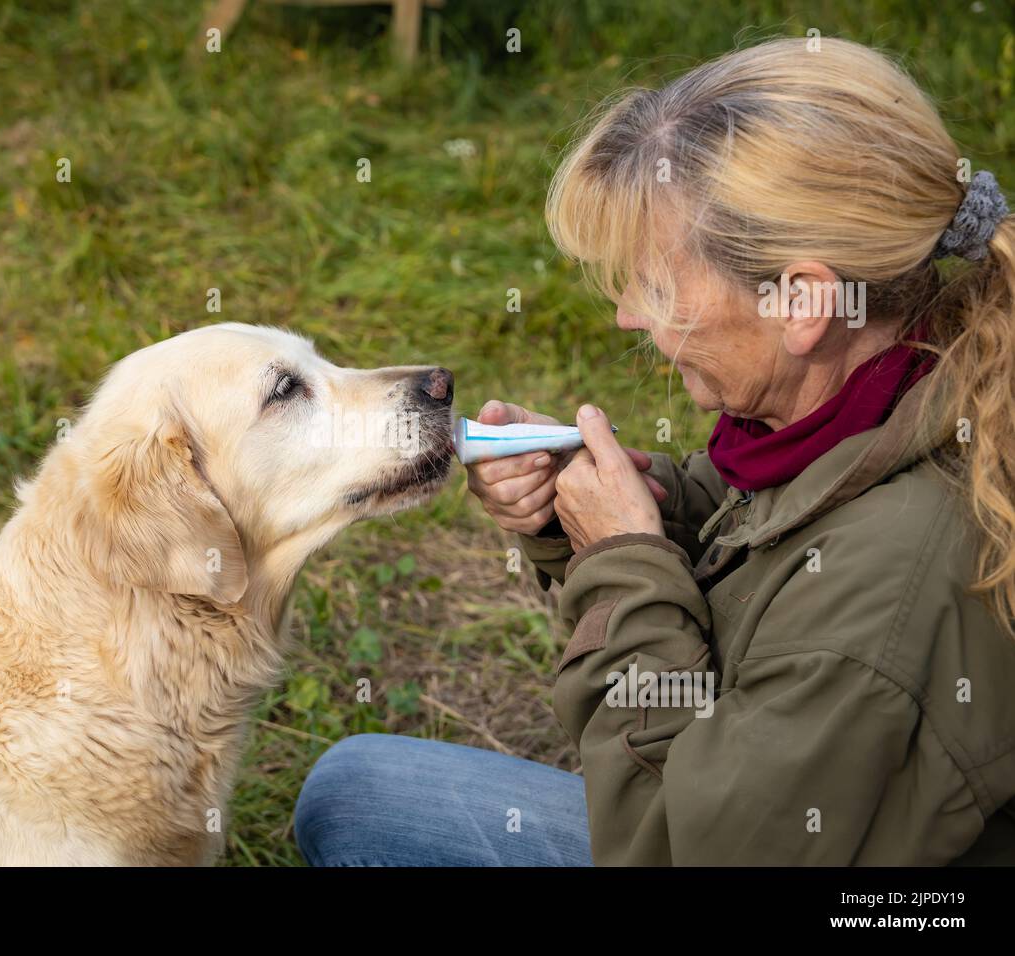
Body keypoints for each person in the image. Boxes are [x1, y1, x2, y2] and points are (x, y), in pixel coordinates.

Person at [294, 37, 1015, 866]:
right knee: (359, 796)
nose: (628, 317)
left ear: (805, 302)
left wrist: (625, 562)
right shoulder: (899, 394)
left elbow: (679, 846)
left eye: (659, 286)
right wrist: (597, 504)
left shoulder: (894, 588)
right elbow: (780, 543)